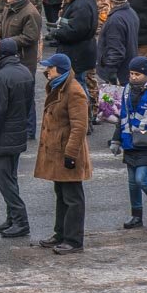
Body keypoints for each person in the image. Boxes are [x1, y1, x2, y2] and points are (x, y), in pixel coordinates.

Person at [35, 53, 92, 254]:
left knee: (73, 198)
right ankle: (60, 233)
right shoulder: (58, 86)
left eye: (49, 68)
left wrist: (70, 155)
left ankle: (74, 240)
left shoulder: (74, 91)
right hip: (58, 153)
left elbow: (79, 127)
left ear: (59, 69)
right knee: (61, 194)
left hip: (68, 154)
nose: (46, 71)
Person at [110, 56, 147, 232]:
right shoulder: (128, 89)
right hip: (130, 143)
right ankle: (136, 215)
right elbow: (123, 117)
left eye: (136, 74)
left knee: (141, 179)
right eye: (131, 73)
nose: (132, 77)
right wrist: (116, 139)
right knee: (132, 183)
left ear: (146, 73)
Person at [0, 38, 34, 238]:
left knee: (5, 181)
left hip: (5, 136)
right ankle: (12, 218)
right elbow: (29, 105)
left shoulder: (3, 76)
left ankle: (21, 221)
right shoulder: (24, 72)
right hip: (18, 132)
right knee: (11, 178)